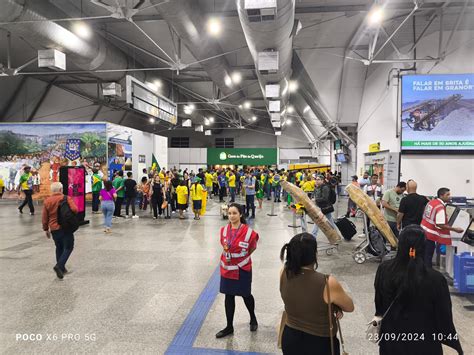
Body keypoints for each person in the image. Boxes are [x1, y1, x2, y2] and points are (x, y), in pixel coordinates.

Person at [374, 225, 463, 355]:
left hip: (392, 340)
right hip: (425, 343)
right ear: (423, 247)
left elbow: (379, 304)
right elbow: (443, 317)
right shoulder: (436, 279)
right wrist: (456, 345)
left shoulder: (384, 269)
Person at [280, 233, 354, 355]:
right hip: (320, 342)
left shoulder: (283, 273)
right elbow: (350, 307)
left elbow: (298, 297)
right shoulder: (327, 282)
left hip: (290, 336)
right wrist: (335, 306)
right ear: (315, 254)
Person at [216, 203, 259, 338]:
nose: (231, 216)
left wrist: (241, 258)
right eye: (229, 213)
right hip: (227, 269)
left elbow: (252, 247)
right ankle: (229, 326)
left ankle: (253, 318)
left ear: (241, 214)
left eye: (234, 213)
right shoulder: (223, 230)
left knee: (246, 294)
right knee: (229, 296)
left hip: (242, 269)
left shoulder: (249, 232)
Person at [42, 182, 78, 279]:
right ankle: (59, 266)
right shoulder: (66, 198)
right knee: (69, 247)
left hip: (54, 228)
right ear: (61, 190)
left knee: (59, 247)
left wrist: (46, 229)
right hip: (65, 227)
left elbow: (44, 217)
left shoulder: (47, 201)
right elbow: (75, 209)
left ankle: (61, 268)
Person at [421, 188, 464, 268]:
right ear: (441, 195)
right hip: (430, 235)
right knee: (427, 257)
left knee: (424, 256)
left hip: (423, 231)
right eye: (447, 195)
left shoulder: (431, 202)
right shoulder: (440, 207)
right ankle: (427, 276)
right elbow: (440, 224)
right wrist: (455, 229)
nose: (449, 197)